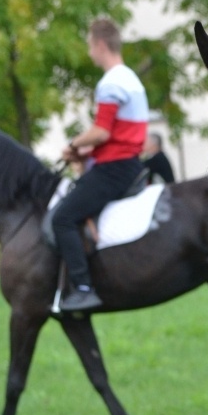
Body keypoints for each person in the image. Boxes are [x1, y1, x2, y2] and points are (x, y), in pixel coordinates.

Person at [51, 17, 149, 313]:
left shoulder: (110, 82)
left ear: (100, 44)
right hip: (126, 162)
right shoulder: (131, 79)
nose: (89, 53)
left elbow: (102, 131)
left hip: (113, 169)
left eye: (90, 46)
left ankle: (82, 287)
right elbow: (117, 134)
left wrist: (73, 145)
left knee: (62, 218)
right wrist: (86, 152)